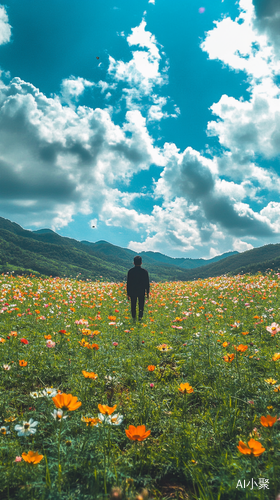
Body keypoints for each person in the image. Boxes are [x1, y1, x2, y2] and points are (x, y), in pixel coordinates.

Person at [127, 256, 149, 322]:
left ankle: (134, 318)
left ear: (133, 263)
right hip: (141, 291)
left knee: (133, 305)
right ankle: (140, 318)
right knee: (141, 305)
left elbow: (128, 283)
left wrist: (128, 293)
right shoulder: (144, 272)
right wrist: (147, 292)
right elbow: (147, 283)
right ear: (141, 263)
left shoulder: (130, 271)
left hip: (133, 291)